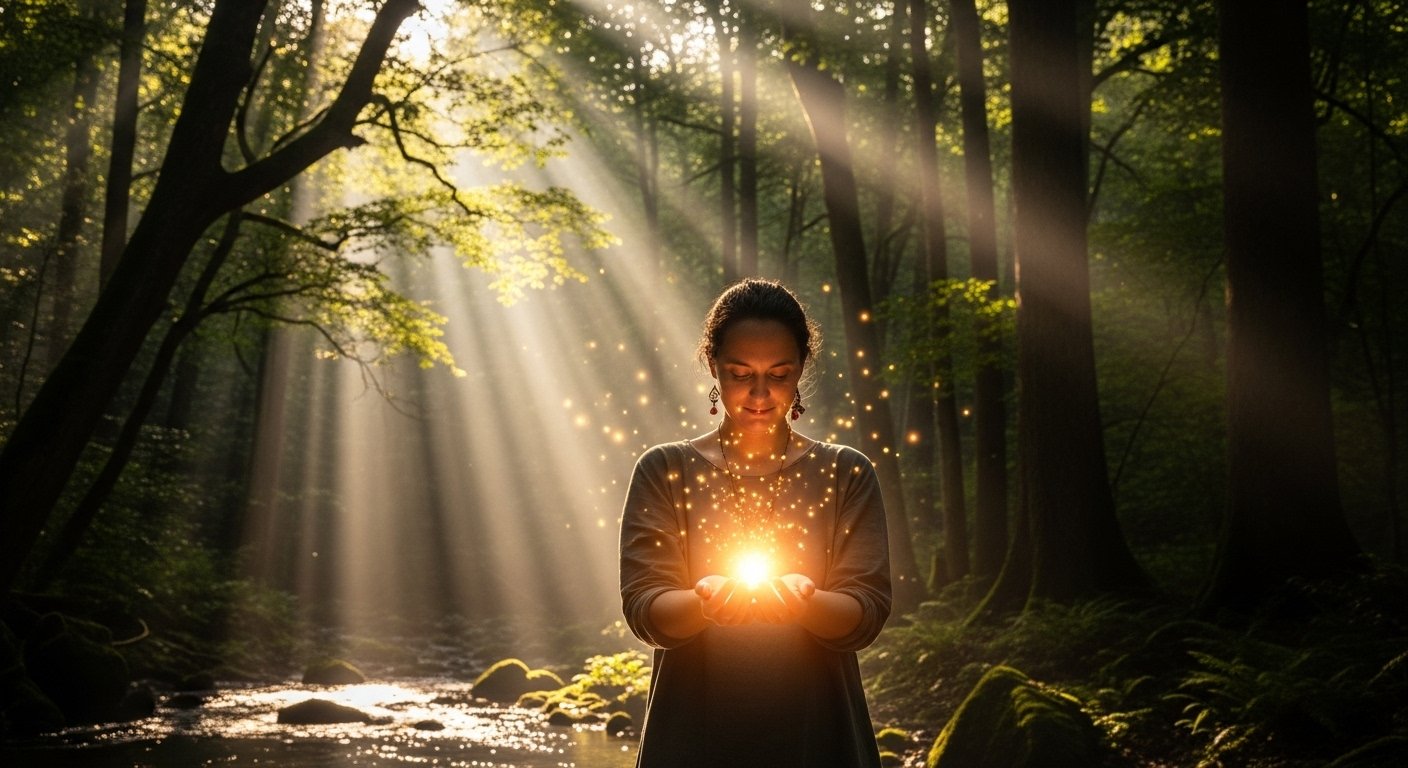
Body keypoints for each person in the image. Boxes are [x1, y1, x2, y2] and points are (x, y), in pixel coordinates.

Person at [619, 279, 892, 768]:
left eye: (779, 375)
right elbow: (645, 608)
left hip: (820, 737)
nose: (760, 394)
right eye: (740, 373)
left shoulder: (847, 472)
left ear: (802, 369)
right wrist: (707, 600)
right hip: (691, 738)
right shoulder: (664, 470)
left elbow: (866, 611)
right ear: (712, 366)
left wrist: (803, 601)